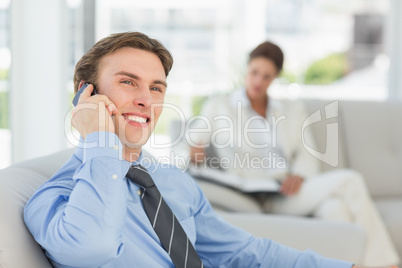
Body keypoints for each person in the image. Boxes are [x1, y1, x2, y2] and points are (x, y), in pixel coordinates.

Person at [23, 31, 395, 268]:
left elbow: (243, 253)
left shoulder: (171, 183)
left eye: (156, 88)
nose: (144, 100)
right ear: (86, 94)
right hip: (246, 189)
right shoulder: (55, 198)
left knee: (337, 205)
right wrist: (99, 140)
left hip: (284, 190)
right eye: (127, 82)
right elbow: (93, 246)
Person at [188, 41, 400, 266]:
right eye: (255, 73)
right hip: (250, 192)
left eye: (267, 76)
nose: (258, 81)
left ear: (275, 77)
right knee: (350, 180)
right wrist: (195, 151)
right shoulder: (219, 106)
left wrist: (298, 175)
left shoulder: (290, 110)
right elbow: (190, 142)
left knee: (335, 209)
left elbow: (306, 153)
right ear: (247, 69)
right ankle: (387, 265)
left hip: (286, 192)